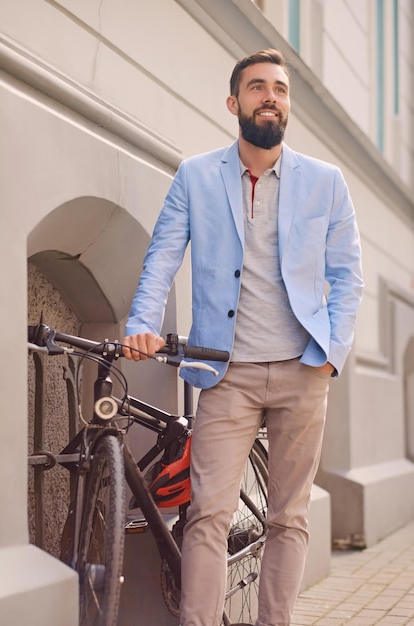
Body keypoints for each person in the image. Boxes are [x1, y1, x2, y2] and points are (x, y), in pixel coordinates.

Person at [122, 49, 363, 626]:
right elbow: (162, 258)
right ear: (235, 103)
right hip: (225, 373)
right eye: (257, 88)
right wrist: (139, 325)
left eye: (279, 89)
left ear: (287, 105)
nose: (270, 97)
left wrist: (331, 355)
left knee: (289, 517)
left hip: (303, 370)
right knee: (208, 514)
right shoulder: (197, 176)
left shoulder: (326, 183)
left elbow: (346, 277)